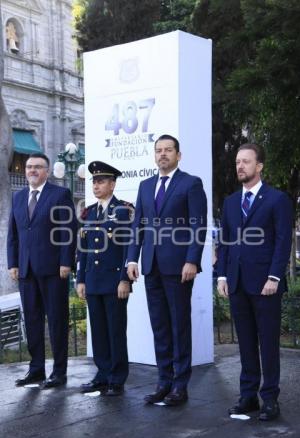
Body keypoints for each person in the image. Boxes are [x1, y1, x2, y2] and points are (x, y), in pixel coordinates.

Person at [127, 134, 207, 406]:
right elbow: (137, 225)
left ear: (178, 155)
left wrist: (192, 260)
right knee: (160, 326)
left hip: (179, 267)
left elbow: (198, 226)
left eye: (168, 150)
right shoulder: (145, 185)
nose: (163, 154)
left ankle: (180, 385)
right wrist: (131, 259)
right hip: (151, 266)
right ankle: (163, 381)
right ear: (154, 155)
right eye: (158, 150)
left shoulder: (191, 184)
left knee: (179, 325)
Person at [217, 143, 293, 421]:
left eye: (246, 162)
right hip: (237, 283)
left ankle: (270, 398)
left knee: (268, 343)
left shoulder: (277, 199)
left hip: (265, 284)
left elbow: (283, 241)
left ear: (259, 166)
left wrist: (275, 276)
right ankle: (248, 396)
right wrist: (222, 275)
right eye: (237, 162)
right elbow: (224, 241)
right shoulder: (229, 202)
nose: (240, 166)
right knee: (246, 343)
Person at [7, 153, 77, 388]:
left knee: (57, 320)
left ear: (47, 171)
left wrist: (66, 262)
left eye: (38, 167)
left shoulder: (60, 194)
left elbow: (68, 231)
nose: (32, 170)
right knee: (33, 320)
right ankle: (36, 369)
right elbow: (13, 234)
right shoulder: (17, 197)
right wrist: (13, 263)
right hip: (26, 270)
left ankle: (59, 372)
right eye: (29, 167)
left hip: (54, 270)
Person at [76, 161, 133, 396]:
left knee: (115, 330)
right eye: (94, 182)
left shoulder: (124, 210)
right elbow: (83, 249)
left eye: (101, 181)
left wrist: (125, 280)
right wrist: (80, 279)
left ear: (112, 184)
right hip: (93, 280)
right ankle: (102, 374)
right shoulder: (89, 212)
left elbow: (128, 247)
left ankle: (117, 378)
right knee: (98, 331)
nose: (96, 186)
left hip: (114, 282)